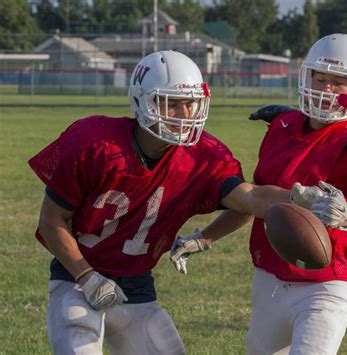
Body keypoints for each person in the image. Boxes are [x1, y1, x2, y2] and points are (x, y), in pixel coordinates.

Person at [28, 50, 317, 354]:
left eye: (190, 103)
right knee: (78, 345)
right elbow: (51, 221)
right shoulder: (96, 143)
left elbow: (250, 199)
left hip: (137, 286)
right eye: (170, 103)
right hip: (76, 279)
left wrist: (299, 197)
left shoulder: (205, 156)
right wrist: (86, 276)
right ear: (142, 101)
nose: (183, 114)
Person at [170, 33, 347, 354]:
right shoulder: (280, 125)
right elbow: (255, 199)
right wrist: (205, 237)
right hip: (268, 282)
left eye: (339, 82)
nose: (327, 89)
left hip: (323, 287)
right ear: (307, 76)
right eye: (321, 78)